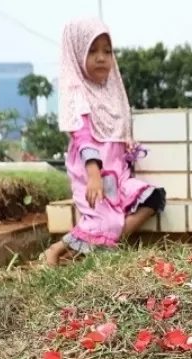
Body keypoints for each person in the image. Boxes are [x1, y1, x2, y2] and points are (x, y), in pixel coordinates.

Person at [42, 18, 166, 266]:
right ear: (77, 53)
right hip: (92, 176)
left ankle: (101, 247)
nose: (101, 57)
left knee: (152, 198)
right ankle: (56, 250)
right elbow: (82, 136)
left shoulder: (112, 92)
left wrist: (128, 148)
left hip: (117, 176)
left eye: (107, 51)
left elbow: (117, 134)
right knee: (103, 222)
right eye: (92, 50)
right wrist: (94, 175)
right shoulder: (78, 93)